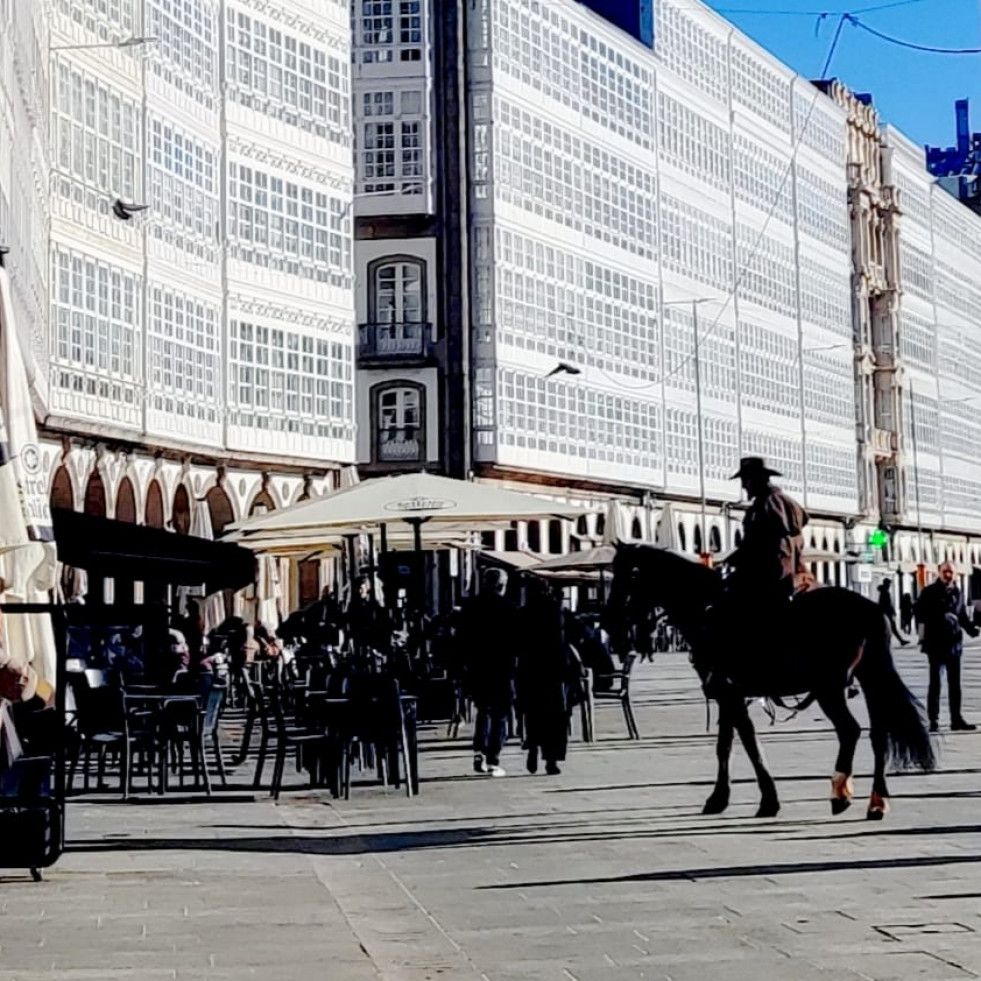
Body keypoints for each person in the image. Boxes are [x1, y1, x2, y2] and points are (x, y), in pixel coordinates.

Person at [457, 568, 520, 777]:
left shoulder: (471, 606)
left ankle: (478, 751)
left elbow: (461, 638)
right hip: (502, 667)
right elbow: (516, 641)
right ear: (502, 584)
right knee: (500, 713)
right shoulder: (509, 608)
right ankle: (493, 758)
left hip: (477, 667)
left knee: (483, 710)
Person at [518, 580, 575, 776]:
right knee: (556, 715)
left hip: (530, 667)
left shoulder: (524, 612)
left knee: (533, 711)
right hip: (555, 668)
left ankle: (533, 746)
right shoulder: (557, 611)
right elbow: (575, 633)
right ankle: (552, 760)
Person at [915, 561, 979, 732]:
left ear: (955, 574)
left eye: (951, 572)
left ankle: (956, 719)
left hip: (954, 645)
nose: (948, 575)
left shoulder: (957, 592)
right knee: (935, 684)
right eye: (945, 572)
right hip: (935, 644)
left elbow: (962, 615)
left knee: (955, 685)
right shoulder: (929, 592)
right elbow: (920, 614)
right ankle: (932, 720)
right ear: (939, 572)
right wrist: (923, 636)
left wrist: (971, 630)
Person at [877, 581, 908, 646]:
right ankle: (895, 641)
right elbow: (887, 604)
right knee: (891, 628)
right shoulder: (885, 593)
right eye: (889, 584)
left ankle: (900, 641)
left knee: (891, 628)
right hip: (887, 613)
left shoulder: (884, 592)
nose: (889, 586)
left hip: (885, 613)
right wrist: (892, 611)